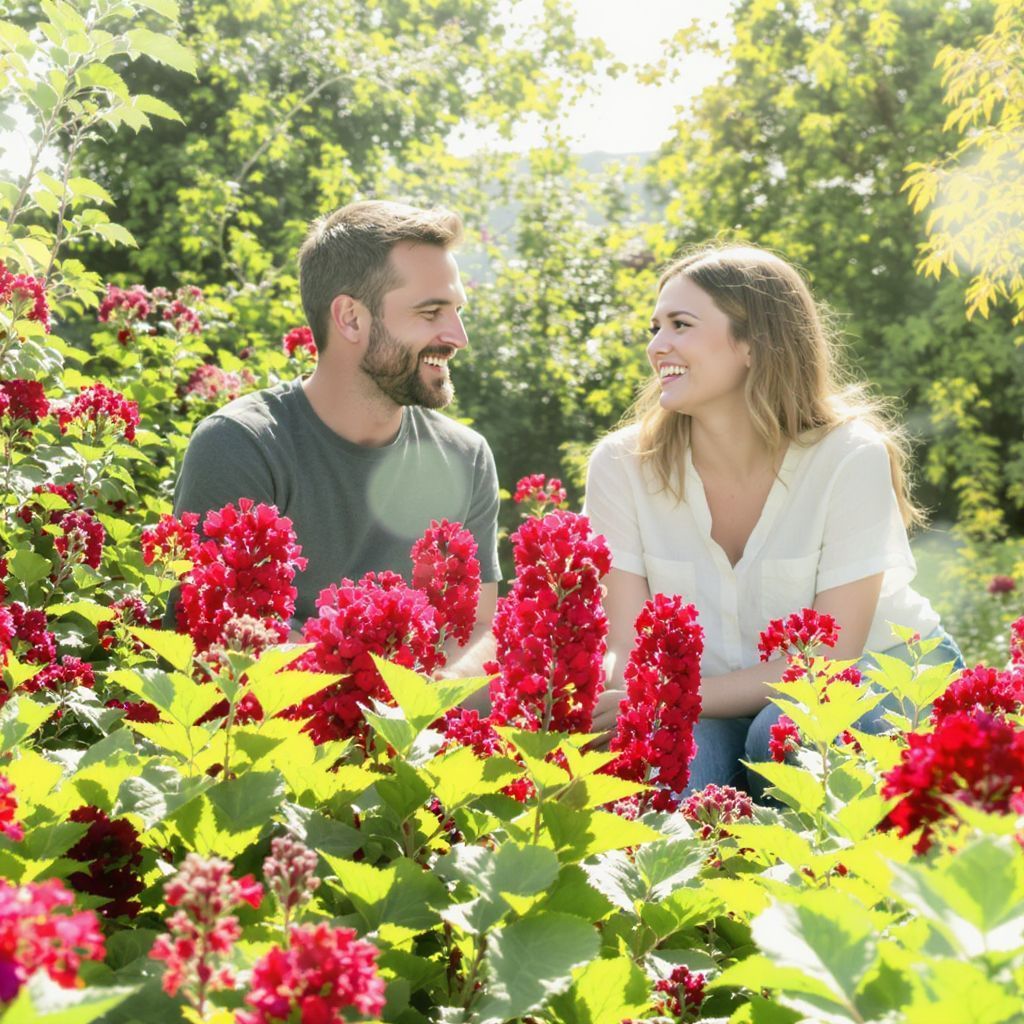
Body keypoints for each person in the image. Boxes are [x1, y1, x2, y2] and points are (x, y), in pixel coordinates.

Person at [584, 243, 962, 795]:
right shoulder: (621, 465)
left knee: (787, 735)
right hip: (703, 698)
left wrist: (671, 699)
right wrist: (645, 706)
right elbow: (629, 645)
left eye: (680, 325)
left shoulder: (849, 455)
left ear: (755, 343)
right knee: (678, 780)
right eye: (654, 326)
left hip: (877, 673)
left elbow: (830, 659)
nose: (655, 346)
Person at [172, 200, 500, 671]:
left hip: (418, 738)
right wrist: (383, 685)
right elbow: (218, 643)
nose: (458, 336)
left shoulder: (466, 457)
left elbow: (478, 629)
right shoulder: (241, 446)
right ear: (349, 317)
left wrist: (420, 706)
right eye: (431, 313)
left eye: (457, 311)